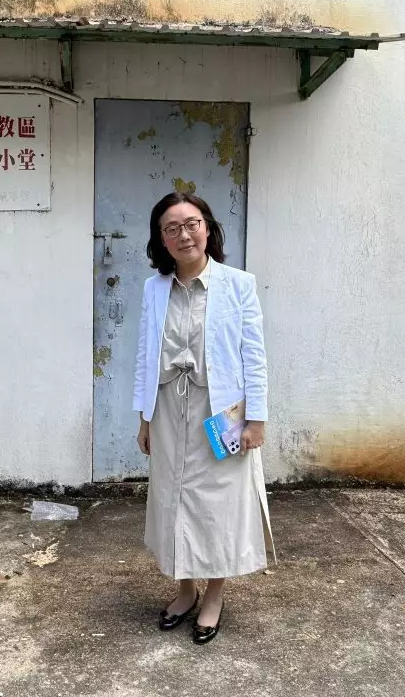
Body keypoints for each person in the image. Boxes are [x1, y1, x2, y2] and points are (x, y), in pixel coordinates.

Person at [133, 191, 276, 645]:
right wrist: (144, 417)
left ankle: (214, 595)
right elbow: (145, 355)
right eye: (171, 228)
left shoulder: (238, 284)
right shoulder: (154, 288)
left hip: (222, 411)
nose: (184, 235)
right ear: (161, 239)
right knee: (173, 498)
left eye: (191, 224)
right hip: (168, 408)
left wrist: (256, 419)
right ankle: (185, 590)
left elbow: (254, 356)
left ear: (208, 228)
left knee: (219, 503)